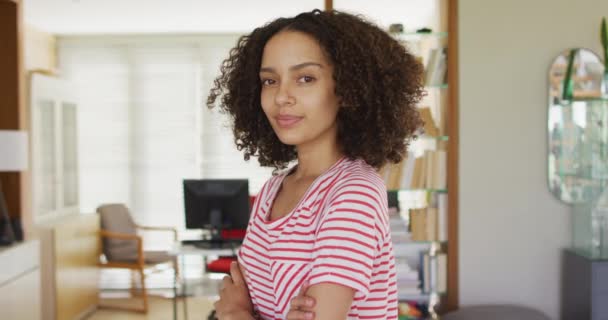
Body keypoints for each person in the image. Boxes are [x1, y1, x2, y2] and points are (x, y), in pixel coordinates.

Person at [206, 9, 424, 320]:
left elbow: (234, 306)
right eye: (270, 80)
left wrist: (237, 313)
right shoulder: (273, 189)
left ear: (347, 89)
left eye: (305, 78)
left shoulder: (354, 193)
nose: (282, 96)